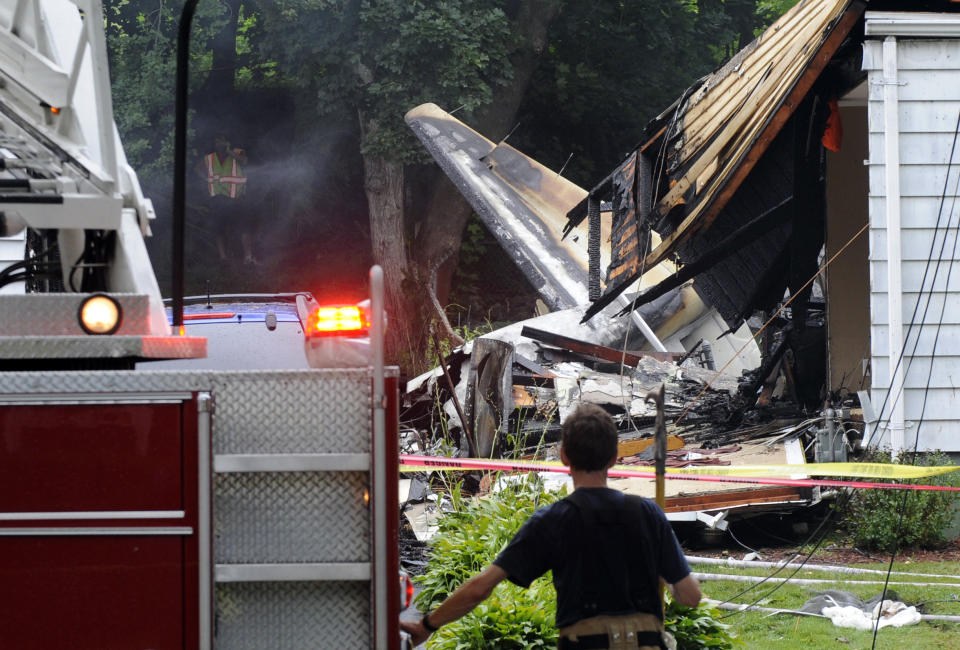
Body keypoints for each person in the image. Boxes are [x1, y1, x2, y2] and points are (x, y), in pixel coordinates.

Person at [400, 403, 701, 649]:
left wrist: (427, 625)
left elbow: (480, 587)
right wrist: (665, 576)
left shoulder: (553, 520)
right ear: (614, 457)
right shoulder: (647, 513)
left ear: (563, 456)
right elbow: (690, 596)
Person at [196, 133, 258, 264]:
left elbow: (244, 161)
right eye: (217, 141)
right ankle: (223, 258)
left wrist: (229, 150)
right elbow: (198, 169)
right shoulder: (210, 158)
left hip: (237, 197)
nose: (219, 143)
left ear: (228, 142)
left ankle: (248, 257)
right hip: (218, 198)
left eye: (222, 141)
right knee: (219, 228)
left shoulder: (236, 153)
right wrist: (206, 178)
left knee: (245, 226)